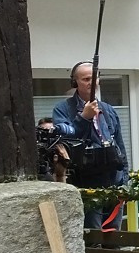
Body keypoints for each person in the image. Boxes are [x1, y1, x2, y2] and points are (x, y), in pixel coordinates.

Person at [52, 61, 129, 228]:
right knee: (92, 235)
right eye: (86, 79)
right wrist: (84, 118)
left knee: (114, 237)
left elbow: (120, 146)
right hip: (86, 182)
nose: (92, 83)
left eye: (95, 78)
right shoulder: (63, 109)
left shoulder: (108, 110)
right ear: (75, 82)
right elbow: (66, 141)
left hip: (113, 182)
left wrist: (125, 181)